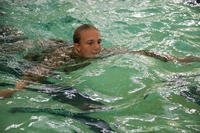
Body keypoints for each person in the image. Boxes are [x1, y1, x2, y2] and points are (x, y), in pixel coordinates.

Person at [0, 24, 199, 100]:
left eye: (99, 42)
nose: (97, 47)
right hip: (36, 48)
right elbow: (35, 72)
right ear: (77, 47)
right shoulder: (61, 57)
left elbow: (140, 51)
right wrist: (15, 90)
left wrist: (177, 59)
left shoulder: (99, 53)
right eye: (90, 43)